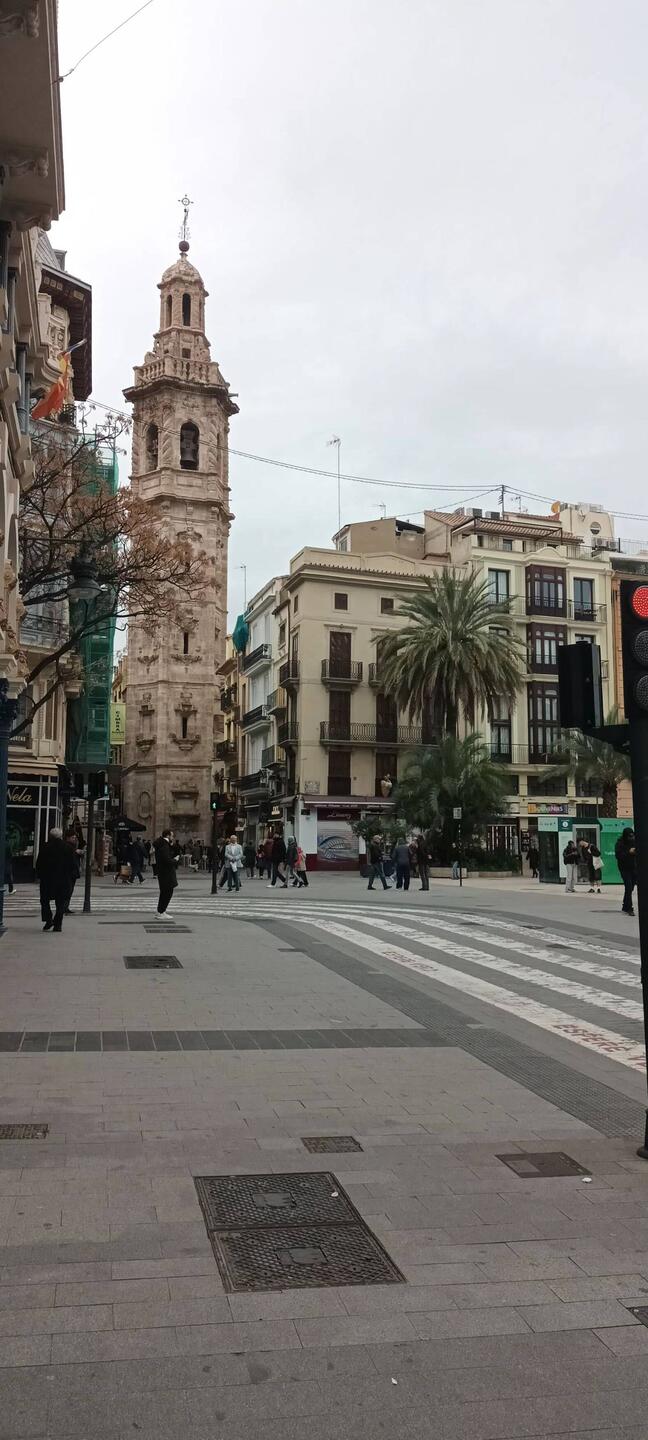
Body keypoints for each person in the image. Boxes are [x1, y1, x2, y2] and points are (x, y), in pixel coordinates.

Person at [36, 827, 77, 932]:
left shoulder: (45, 847)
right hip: (63, 879)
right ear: (61, 836)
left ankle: (48, 919)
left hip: (47, 879)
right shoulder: (68, 848)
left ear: (50, 836)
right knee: (61, 902)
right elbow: (72, 864)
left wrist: (39, 875)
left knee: (44, 901)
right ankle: (58, 924)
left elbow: (39, 863)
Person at [153, 829, 179, 915]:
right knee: (167, 892)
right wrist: (175, 860)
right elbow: (167, 860)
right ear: (168, 836)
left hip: (163, 872)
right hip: (166, 872)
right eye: (172, 836)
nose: (173, 838)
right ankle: (161, 911)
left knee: (165, 892)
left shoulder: (162, 844)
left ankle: (160, 911)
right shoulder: (164, 846)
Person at [616, 828, 637, 916]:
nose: (631, 838)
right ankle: (629, 908)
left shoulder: (634, 842)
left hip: (633, 867)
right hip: (624, 868)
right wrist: (628, 852)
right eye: (629, 836)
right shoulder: (620, 843)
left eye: (632, 836)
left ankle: (625, 905)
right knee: (628, 887)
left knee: (631, 888)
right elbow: (618, 856)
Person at [63, 830, 81, 913]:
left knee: (69, 890)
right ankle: (64, 907)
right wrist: (76, 852)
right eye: (73, 837)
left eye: (75, 837)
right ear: (68, 838)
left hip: (72, 872)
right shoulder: (68, 846)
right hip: (69, 872)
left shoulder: (72, 846)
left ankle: (65, 907)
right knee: (68, 890)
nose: (74, 839)